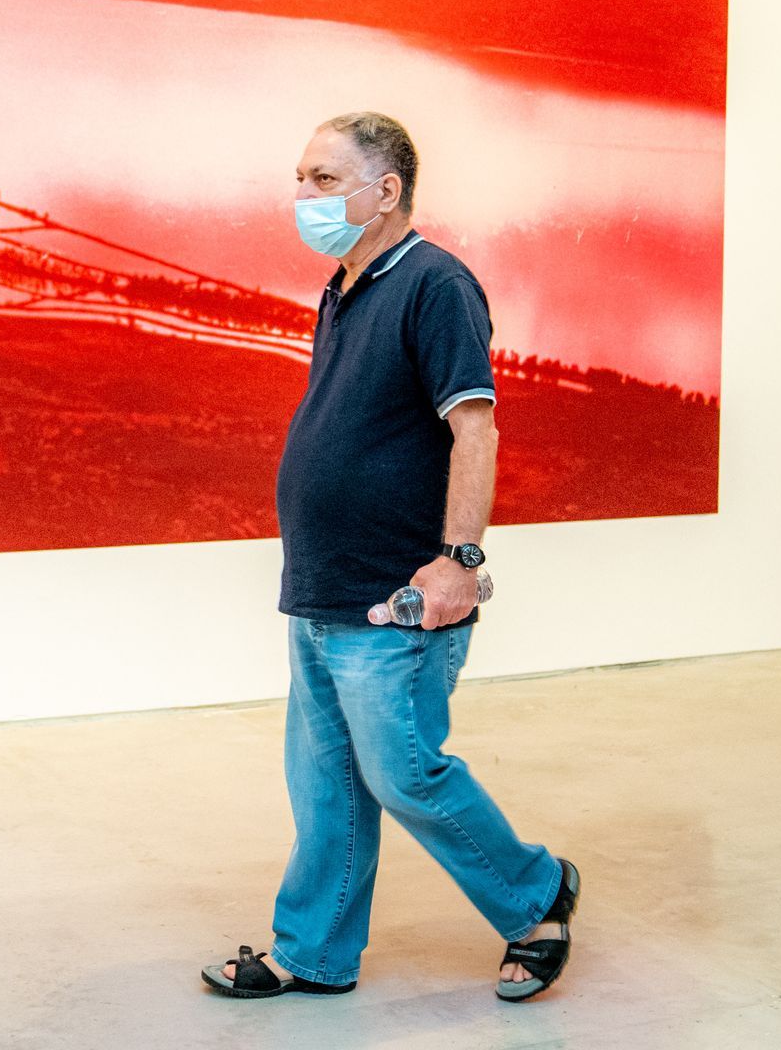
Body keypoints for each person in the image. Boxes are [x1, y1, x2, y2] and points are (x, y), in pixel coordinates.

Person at [201, 111, 579, 1003]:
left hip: (395, 594)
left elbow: (475, 429)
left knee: (405, 775)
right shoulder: (343, 288)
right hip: (322, 589)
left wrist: (459, 560)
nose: (303, 195)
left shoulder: (434, 285)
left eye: (324, 179)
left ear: (386, 190)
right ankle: (313, 953)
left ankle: (537, 898)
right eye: (300, 177)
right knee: (325, 784)